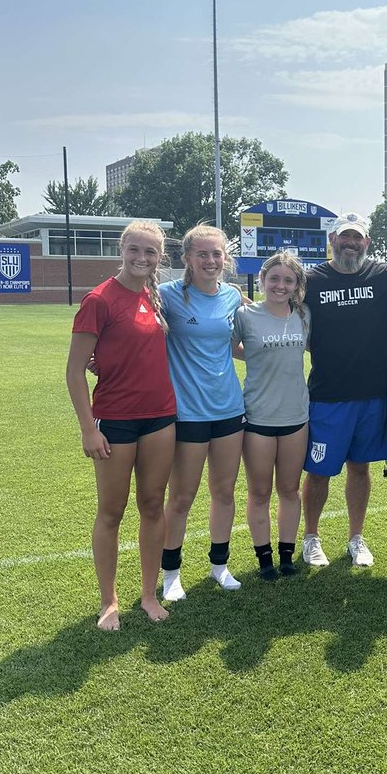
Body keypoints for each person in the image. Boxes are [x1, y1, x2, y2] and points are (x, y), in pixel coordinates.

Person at [66, 221, 176, 630]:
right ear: (121, 249)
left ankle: (148, 595)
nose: (141, 258)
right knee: (112, 511)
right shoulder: (99, 300)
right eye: (134, 250)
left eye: (150, 252)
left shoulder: (155, 296)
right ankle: (108, 601)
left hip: (162, 418)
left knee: (152, 504)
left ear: (159, 256)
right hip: (114, 421)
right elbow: (75, 371)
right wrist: (87, 429)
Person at [301, 212, 387, 568]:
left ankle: (356, 537)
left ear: (367, 243)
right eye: (344, 237)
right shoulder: (311, 280)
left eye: (357, 238)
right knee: (319, 471)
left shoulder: (385, 277)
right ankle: (311, 537)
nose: (350, 243)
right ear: (332, 241)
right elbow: (297, 326)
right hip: (328, 395)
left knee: (361, 468)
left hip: (374, 392)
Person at [158, 225, 246, 602]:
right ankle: (171, 572)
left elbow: (239, 346)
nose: (211, 261)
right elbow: (139, 331)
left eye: (217, 254)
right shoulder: (167, 295)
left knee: (224, 492)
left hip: (229, 408)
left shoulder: (233, 296)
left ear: (226, 258)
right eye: (203, 255)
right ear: (188, 259)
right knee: (182, 496)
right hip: (188, 412)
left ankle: (219, 565)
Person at [233, 251, 310, 579]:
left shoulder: (304, 315)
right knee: (260, 491)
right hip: (258, 417)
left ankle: (287, 555)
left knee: (290, 489)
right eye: (274, 278)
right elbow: (225, 347)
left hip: (296, 416)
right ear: (263, 280)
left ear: (296, 286)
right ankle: (264, 558)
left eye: (288, 280)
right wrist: (252, 355)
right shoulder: (245, 315)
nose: (280, 285)